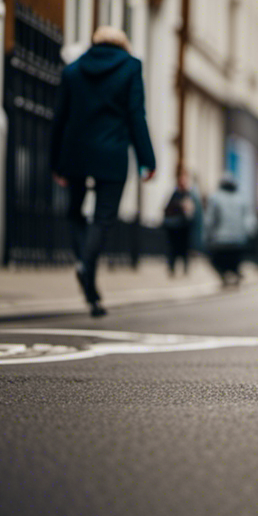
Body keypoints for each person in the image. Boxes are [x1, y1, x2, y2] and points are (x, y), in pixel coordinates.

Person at [50, 26, 156, 316]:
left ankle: (88, 279)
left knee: (74, 211)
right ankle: (87, 266)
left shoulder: (73, 71)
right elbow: (137, 115)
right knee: (103, 218)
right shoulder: (131, 68)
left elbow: (59, 118)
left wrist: (54, 162)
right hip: (112, 154)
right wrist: (148, 160)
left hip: (76, 153)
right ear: (124, 45)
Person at [204, 174, 255, 285]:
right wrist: (249, 234)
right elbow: (250, 221)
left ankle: (224, 276)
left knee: (215, 260)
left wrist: (206, 236)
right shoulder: (242, 199)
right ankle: (235, 273)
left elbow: (209, 220)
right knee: (235, 261)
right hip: (238, 240)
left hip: (220, 240)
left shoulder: (215, 198)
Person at [162, 168, 196, 276]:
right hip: (173, 227)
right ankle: (172, 268)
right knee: (172, 249)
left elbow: (193, 212)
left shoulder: (189, 194)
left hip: (184, 227)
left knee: (184, 249)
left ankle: (185, 268)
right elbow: (167, 208)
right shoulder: (174, 193)